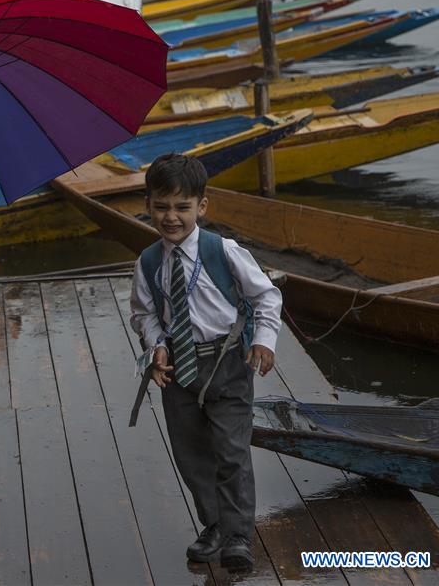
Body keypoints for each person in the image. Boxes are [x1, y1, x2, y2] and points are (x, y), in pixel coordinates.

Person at [129, 153, 282, 572]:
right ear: (148, 205)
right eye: (161, 207)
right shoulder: (147, 262)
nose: (171, 217)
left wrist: (264, 341)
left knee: (231, 451)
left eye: (182, 207)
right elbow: (143, 313)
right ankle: (213, 524)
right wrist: (156, 346)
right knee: (192, 454)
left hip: (227, 364)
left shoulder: (223, 251)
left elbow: (265, 296)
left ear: (202, 206)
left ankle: (237, 535)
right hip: (178, 370)